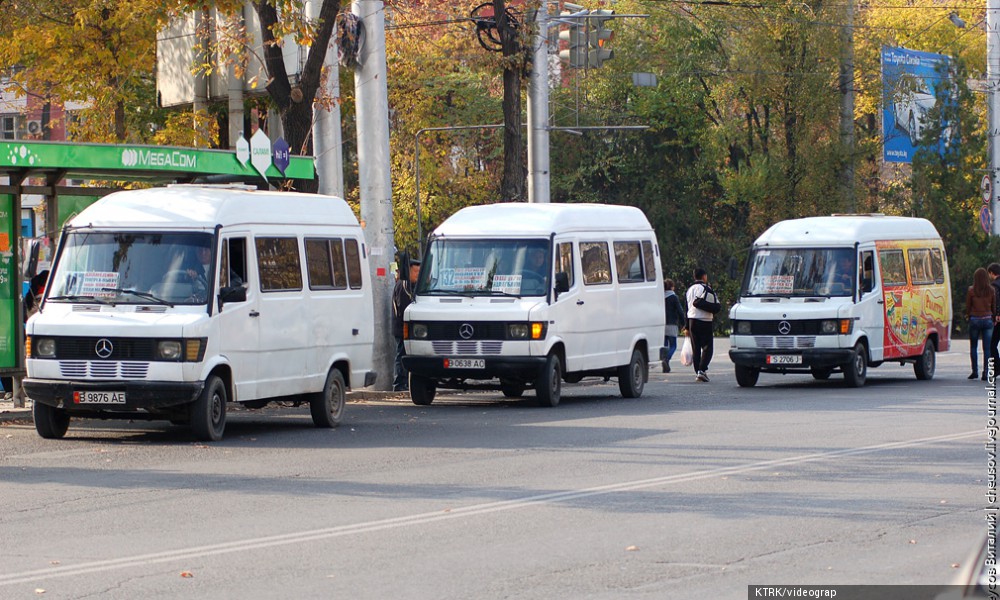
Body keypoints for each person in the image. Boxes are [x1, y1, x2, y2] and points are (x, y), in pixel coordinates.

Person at [686, 268, 721, 382]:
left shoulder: (689, 290)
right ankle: (702, 370)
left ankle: (698, 372)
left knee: (696, 348)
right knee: (707, 347)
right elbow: (715, 305)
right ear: (704, 276)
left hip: (692, 320)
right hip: (705, 320)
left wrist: (686, 326)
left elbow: (688, 307)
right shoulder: (707, 289)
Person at [392, 259, 421, 392]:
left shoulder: (411, 285)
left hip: (407, 329)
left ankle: (405, 383)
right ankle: (399, 384)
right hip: (402, 328)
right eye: (415, 271)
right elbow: (404, 309)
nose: (417, 274)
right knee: (401, 355)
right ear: (408, 271)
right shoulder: (404, 286)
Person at [967, 267, 995, 381]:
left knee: (973, 346)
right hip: (988, 319)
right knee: (987, 349)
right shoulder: (991, 290)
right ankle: (986, 372)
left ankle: (974, 371)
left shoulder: (971, 290)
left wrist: (968, 315)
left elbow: (968, 306)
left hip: (975, 319)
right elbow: (994, 305)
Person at [660, 278, 686, 373]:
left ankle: (664, 360)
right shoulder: (674, 297)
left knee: (665, 345)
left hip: (661, 324)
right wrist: (684, 324)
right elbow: (680, 311)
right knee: (673, 345)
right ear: (672, 287)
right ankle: (666, 359)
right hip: (672, 324)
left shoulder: (660, 297)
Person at [990, 263, 1000, 378]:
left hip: (998, 320)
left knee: (993, 344)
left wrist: (997, 314)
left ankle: (997, 367)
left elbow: (996, 300)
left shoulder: (995, 285)